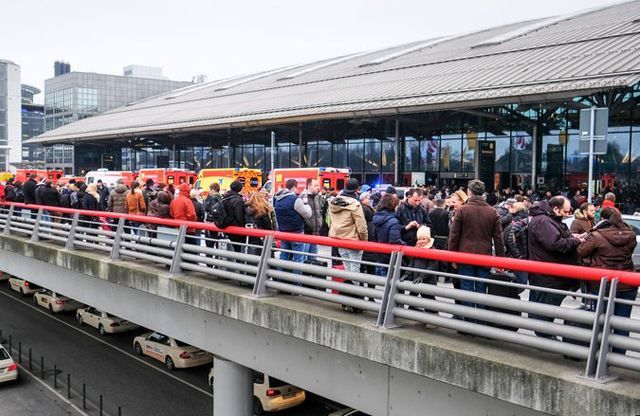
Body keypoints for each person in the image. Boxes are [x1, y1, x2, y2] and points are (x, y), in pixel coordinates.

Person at [577, 207, 637, 355]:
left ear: (603, 219)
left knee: (601, 321)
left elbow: (581, 251)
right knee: (622, 323)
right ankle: (618, 356)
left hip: (602, 283)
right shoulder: (630, 234)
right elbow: (630, 250)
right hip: (627, 283)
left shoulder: (596, 235)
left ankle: (600, 356)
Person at [527, 196, 584, 337]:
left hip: (547, 275)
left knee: (542, 309)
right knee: (545, 310)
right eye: (565, 211)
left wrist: (572, 238)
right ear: (555, 209)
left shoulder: (545, 220)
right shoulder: (544, 221)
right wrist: (575, 240)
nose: (568, 214)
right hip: (549, 276)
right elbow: (555, 244)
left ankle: (545, 337)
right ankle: (546, 338)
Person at [448, 179, 505, 311]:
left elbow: (454, 236)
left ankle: (468, 322)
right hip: (484, 256)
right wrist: (501, 259)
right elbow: (498, 238)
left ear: (469, 192)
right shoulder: (492, 212)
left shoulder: (462, 210)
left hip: (465, 255)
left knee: (466, 289)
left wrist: (452, 256)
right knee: (481, 289)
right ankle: (480, 322)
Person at [328, 178, 368, 274]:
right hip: (353, 240)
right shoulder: (355, 204)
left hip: (340, 240)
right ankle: (353, 289)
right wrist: (364, 241)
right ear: (357, 189)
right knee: (355, 270)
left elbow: (330, 222)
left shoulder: (333, 202)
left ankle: (347, 288)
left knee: (347, 269)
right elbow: (362, 227)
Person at [274, 179, 311, 264]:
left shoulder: (277, 199)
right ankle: (297, 276)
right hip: (296, 232)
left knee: (284, 256)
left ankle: (281, 276)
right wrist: (307, 206)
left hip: (283, 232)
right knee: (298, 258)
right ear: (294, 187)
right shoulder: (295, 199)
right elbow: (307, 214)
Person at [371, 193, 405, 276]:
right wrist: (405, 245)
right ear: (393, 205)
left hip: (379, 254)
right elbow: (395, 240)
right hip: (390, 256)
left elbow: (373, 236)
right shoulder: (393, 221)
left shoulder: (375, 217)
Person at [301, 178, 324, 262]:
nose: (318, 187)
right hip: (307, 232)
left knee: (313, 257)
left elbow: (319, 212)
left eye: (318, 185)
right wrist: (309, 225)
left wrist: (320, 222)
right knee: (305, 257)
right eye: (315, 185)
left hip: (315, 232)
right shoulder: (303, 196)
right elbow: (303, 215)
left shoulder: (317, 197)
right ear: (309, 186)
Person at [221, 180, 247, 252]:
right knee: (239, 250)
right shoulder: (238, 200)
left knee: (235, 249)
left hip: (227, 227)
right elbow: (239, 217)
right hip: (237, 229)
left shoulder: (225, 197)